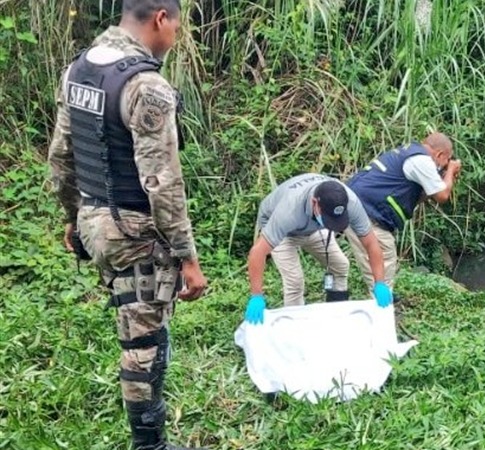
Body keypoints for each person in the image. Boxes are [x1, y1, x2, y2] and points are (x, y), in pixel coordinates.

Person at [47, 1, 208, 449]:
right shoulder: (146, 85)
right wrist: (187, 259)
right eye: (176, 27)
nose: (175, 38)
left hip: (95, 221)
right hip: (135, 233)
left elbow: (60, 158)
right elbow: (163, 185)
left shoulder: (78, 70)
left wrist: (73, 218)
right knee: (144, 345)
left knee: (139, 327)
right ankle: (149, 444)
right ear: (160, 18)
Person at [244, 173, 392, 325]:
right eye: (329, 217)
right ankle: (295, 328)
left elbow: (371, 243)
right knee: (295, 281)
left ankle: (336, 316)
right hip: (284, 232)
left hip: (314, 227)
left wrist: (380, 282)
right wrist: (256, 296)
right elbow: (258, 252)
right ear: (315, 203)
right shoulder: (288, 211)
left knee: (340, 266)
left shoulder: (350, 201)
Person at [344, 132, 461, 291]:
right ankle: (382, 306)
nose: (445, 164)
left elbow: (423, 194)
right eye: (446, 160)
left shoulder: (410, 152)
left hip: (358, 205)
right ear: (439, 154)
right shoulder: (422, 161)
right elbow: (442, 196)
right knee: (383, 260)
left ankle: (384, 298)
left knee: (381, 260)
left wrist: (443, 175)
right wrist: (451, 171)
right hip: (367, 212)